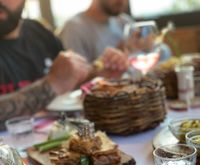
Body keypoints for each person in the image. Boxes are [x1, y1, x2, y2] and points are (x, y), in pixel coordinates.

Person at [0, 0, 128, 130]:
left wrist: (98, 74)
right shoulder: (75, 26)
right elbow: (56, 83)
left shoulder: (38, 32)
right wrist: (52, 84)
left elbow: (66, 84)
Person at [59, 0, 172, 63]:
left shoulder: (123, 21)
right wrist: (116, 55)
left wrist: (150, 47)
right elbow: (73, 81)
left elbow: (166, 52)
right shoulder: (74, 28)